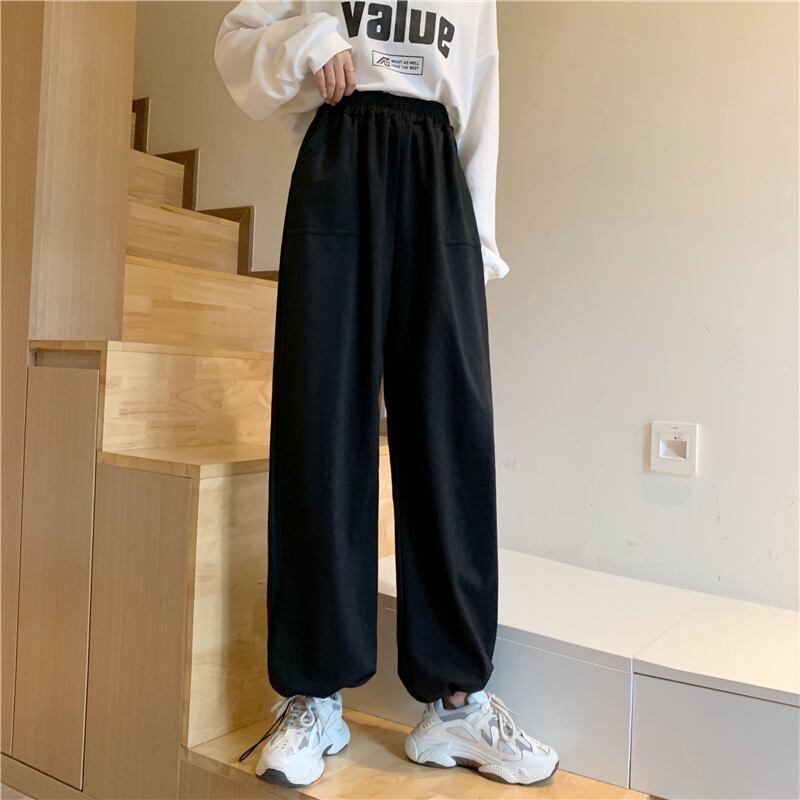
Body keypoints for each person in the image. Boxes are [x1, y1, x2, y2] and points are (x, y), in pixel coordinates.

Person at [214, 0, 559, 788]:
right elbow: (236, 43)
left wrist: (477, 245)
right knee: (322, 421)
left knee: (450, 431)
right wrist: (312, 40)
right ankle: (313, 694)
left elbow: (480, 91)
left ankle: (456, 704)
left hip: (438, 176)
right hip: (341, 154)